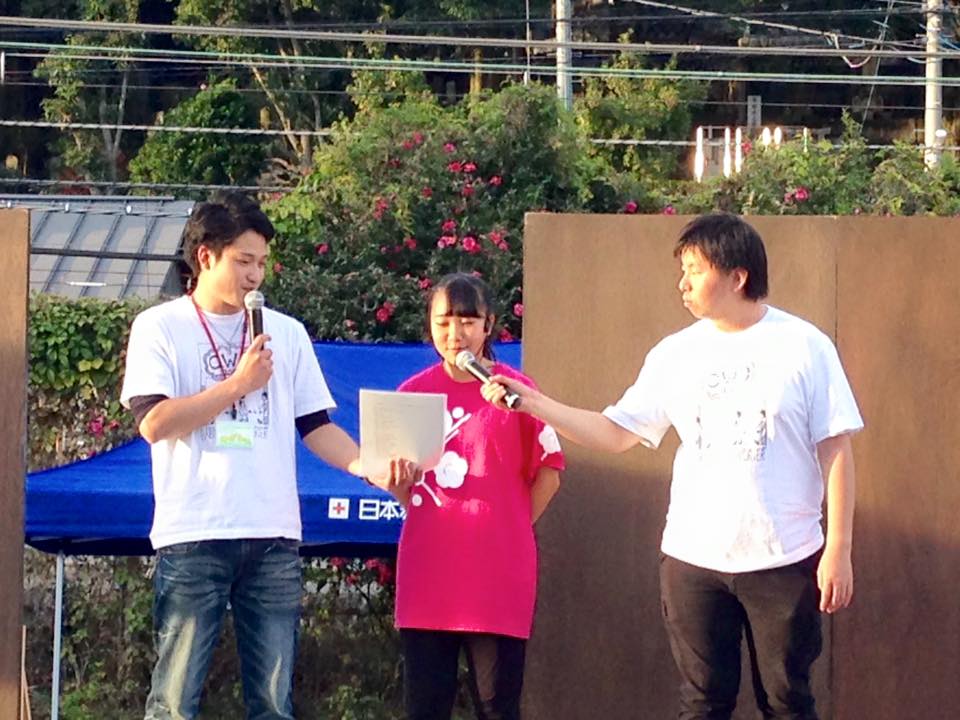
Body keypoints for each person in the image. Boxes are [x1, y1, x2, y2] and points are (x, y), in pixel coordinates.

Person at [483, 213, 863, 720]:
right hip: (692, 558)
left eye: (695, 270)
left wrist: (838, 549)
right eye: (681, 270)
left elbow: (836, 449)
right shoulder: (676, 353)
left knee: (787, 701)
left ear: (737, 276)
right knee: (702, 702)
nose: (682, 284)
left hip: (784, 557)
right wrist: (533, 403)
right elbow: (616, 432)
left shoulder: (804, 346)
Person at [120, 191, 417, 720]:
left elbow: (316, 427)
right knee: (174, 701)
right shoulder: (159, 326)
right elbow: (155, 423)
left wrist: (369, 467)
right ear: (206, 256)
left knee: (275, 704)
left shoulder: (287, 332)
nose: (255, 276)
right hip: (194, 533)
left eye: (261, 263)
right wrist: (238, 385)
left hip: (273, 535)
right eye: (243, 261)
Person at [392, 272, 564, 720]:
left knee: (497, 706)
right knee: (425, 707)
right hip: (428, 573)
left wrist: (509, 526)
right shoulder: (412, 393)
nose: (455, 334)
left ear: (489, 325)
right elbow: (403, 489)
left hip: (497, 574)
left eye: (468, 322)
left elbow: (550, 472)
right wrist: (398, 483)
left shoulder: (515, 391)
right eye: (444, 321)